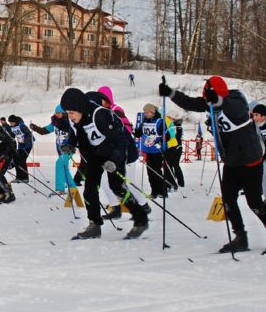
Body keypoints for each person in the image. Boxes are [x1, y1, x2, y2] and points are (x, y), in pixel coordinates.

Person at [159, 76, 266, 254]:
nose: (206, 100)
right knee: (228, 199)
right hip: (232, 161)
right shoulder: (209, 103)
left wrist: (217, 100)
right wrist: (170, 93)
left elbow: (233, 109)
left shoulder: (237, 101)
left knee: (254, 202)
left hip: (250, 160)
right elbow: (191, 103)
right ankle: (240, 236)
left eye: (209, 96)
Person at [59, 87, 149, 240]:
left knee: (117, 187)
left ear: (80, 109)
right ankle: (94, 225)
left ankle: (141, 220)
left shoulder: (100, 115)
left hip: (114, 152)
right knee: (89, 190)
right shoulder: (74, 117)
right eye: (68, 113)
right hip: (94, 154)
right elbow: (74, 133)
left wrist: (114, 160)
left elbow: (121, 140)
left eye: (72, 113)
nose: (70, 116)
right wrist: (70, 144)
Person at [30, 105, 76, 195]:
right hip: (60, 149)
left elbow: (76, 135)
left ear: (64, 113)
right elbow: (44, 131)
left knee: (59, 164)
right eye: (56, 113)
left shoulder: (69, 123)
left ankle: (60, 189)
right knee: (64, 167)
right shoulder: (55, 123)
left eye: (59, 113)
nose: (57, 115)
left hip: (68, 149)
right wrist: (34, 127)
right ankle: (72, 187)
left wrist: (71, 146)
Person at [137, 103, 177, 198]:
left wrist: (160, 142)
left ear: (153, 112)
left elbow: (167, 136)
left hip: (157, 150)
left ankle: (163, 192)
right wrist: (135, 132)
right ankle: (154, 191)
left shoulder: (160, 122)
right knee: (150, 171)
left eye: (148, 112)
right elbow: (139, 133)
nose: (146, 114)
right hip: (148, 150)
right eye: (145, 112)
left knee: (156, 171)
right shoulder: (144, 121)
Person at [6, 115, 33, 184]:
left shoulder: (22, 125)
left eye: (12, 122)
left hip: (28, 145)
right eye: (10, 122)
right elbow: (12, 136)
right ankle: (18, 177)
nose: (11, 124)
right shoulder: (12, 127)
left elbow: (29, 135)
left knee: (22, 160)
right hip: (20, 145)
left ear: (15, 121)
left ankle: (25, 178)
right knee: (16, 160)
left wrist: (25, 142)